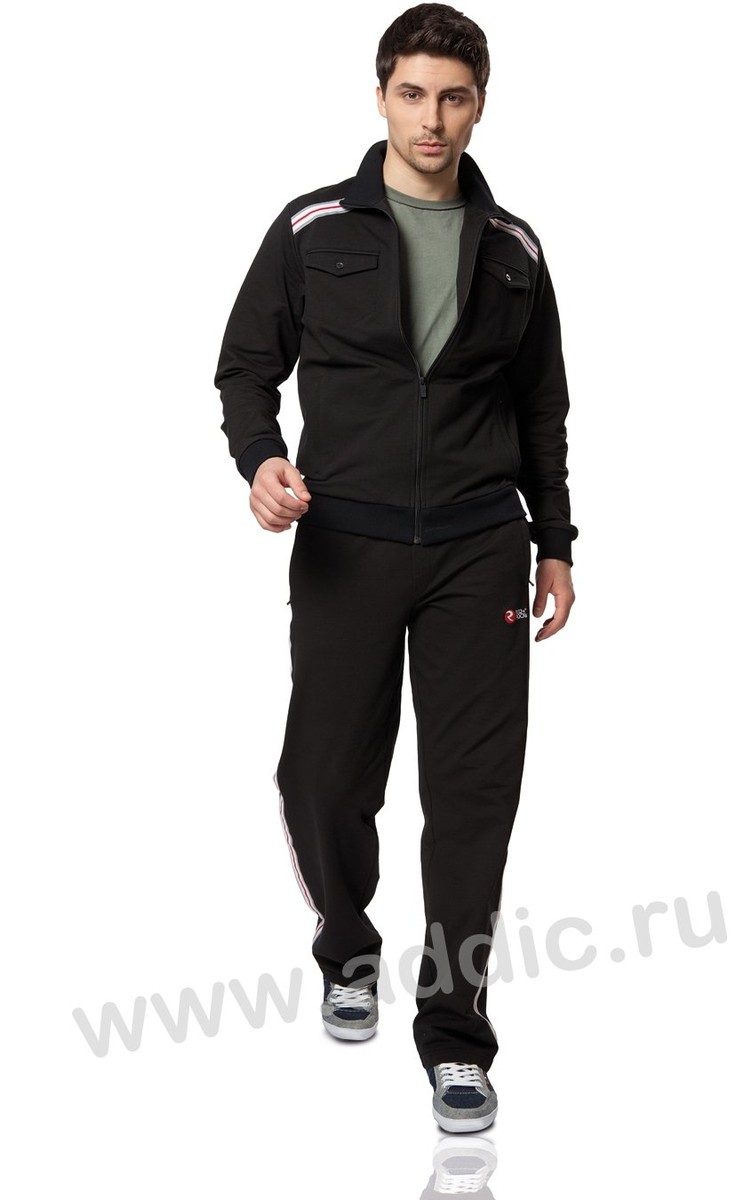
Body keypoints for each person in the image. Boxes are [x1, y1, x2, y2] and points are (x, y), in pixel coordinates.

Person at [214, 2, 578, 1133]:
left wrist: (556, 542)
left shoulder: (513, 247)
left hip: (479, 547)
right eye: (412, 94)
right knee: (322, 777)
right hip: (346, 541)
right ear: (379, 97)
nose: (431, 119)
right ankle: (346, 944)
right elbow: (244, 367)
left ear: (479, 106)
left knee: (473, 798)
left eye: (453, 98)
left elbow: (542, 410)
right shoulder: (312, 225)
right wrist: (261, 461)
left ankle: (456, 1037)